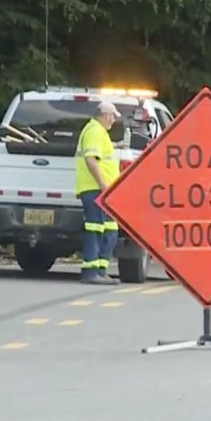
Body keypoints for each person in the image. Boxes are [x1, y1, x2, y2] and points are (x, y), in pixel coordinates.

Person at [75, 101, 123, 285]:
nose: (113, 120)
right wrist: (103, 184)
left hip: (102, 191)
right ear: (104, 114)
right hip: (96, 190)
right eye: (112, 116)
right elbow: (91, 160)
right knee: (95, 229)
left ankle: (101, 270)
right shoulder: (94, 131)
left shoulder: (99, 132)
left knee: (110, 229)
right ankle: (90, 272)